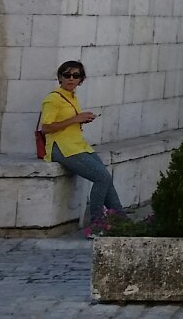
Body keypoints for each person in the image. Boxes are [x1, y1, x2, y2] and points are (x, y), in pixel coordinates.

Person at [38, 60, 125, 235]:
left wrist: (83, 118)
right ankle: (96, 225)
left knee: (106, 177)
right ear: (60, 78)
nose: (71, 79)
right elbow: (46, 128)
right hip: (61, 148)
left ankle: (122, 222)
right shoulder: (53, 99)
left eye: (75, 76)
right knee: (101, 178)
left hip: (78, 145)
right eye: (66, 75)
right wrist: (75, 119)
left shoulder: (71, 97)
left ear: (81, 80)